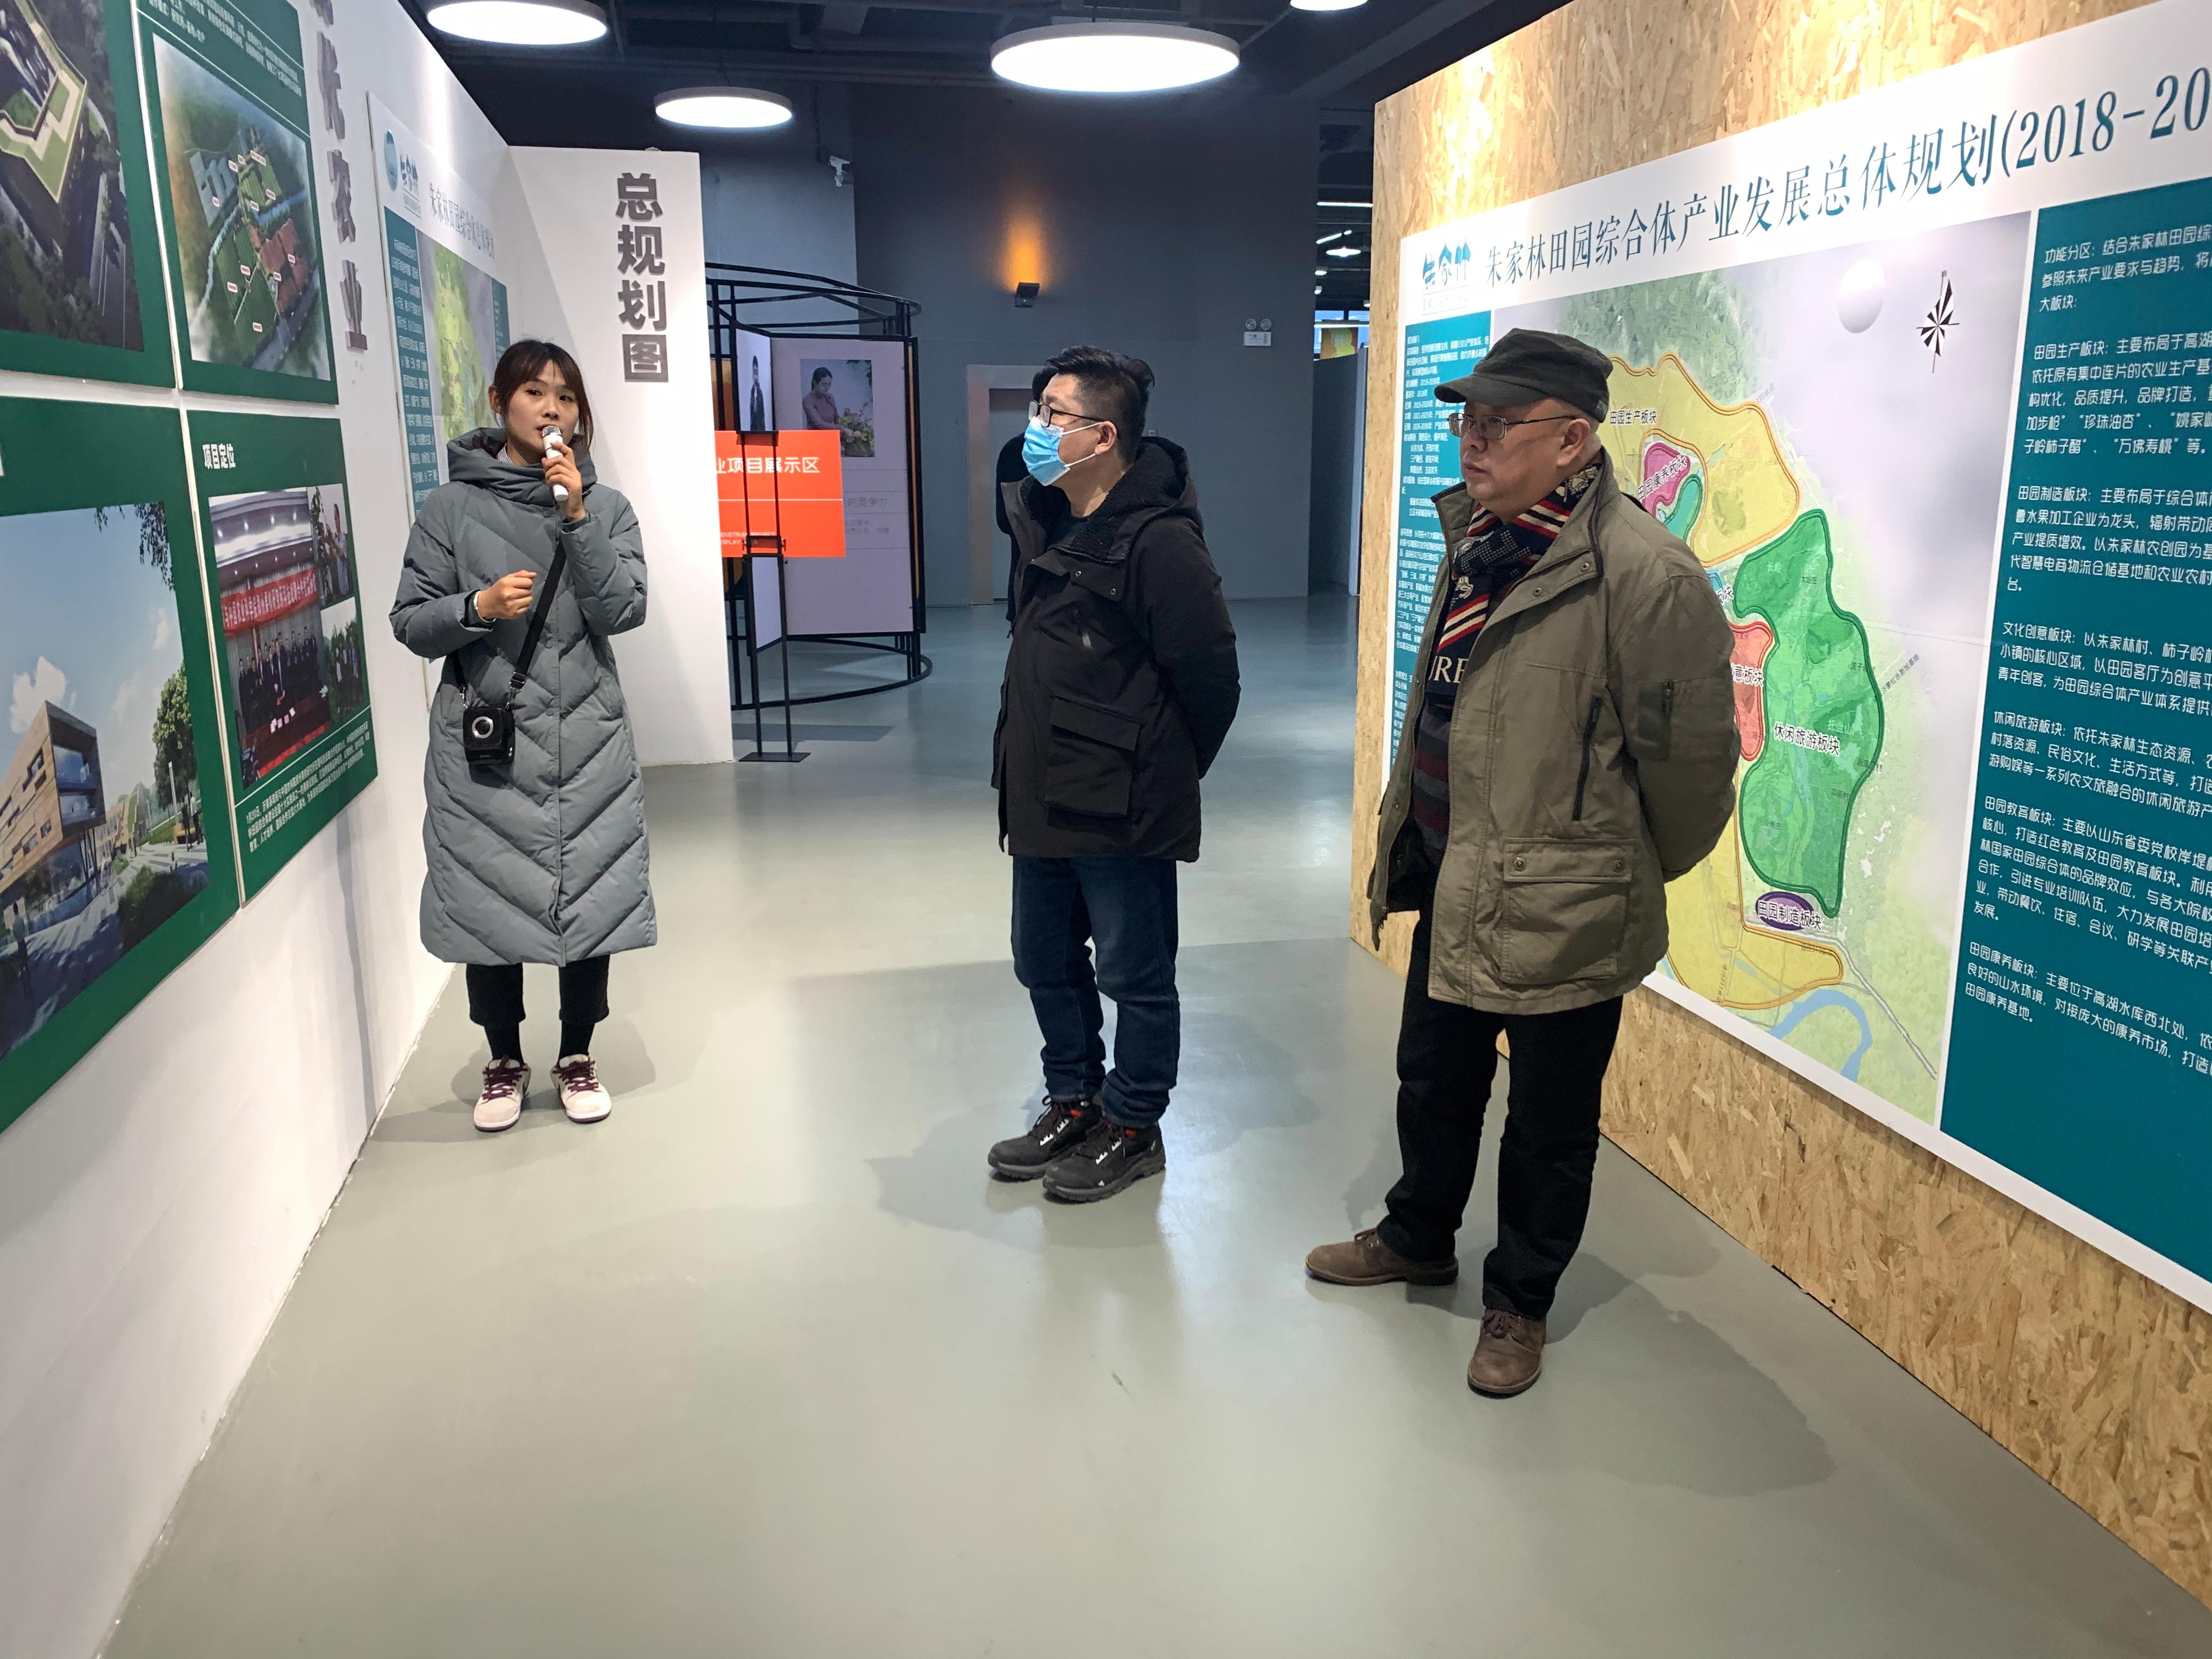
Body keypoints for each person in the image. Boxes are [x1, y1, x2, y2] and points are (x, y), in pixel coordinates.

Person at [1306, 329, 1736, 1396]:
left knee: (1549, 1124)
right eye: (1468, 420)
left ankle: (1519, 1301)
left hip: (1568, 908)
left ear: (1573, 440)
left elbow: (1690, 769)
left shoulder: (1646, 577)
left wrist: (1607, 868)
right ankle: (1417, 1234)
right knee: (1432, 1081)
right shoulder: (1479, 540)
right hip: (1457, 877)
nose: (1473, 441)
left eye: (1499, 425)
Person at [987, 346, 1240, 1201]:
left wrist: (1160, 768)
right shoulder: (1047, 518)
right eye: (1038, 410)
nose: (1036, 428)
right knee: (1043, 959)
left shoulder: (1161, 542)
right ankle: (1074, 1101)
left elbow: (1211, 678)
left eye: (1053, 415)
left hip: (1121, 799)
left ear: (1102, 437)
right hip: (1041, 788)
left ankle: (1134, 1125)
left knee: (1135, 974)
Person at [390, 339, 657, 1133]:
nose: (552, 410)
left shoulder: (606, 507)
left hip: (587, 736)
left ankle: (577, 1053)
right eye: (536, 392)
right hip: (490, 743)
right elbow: (411, 621)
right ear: (499, 400)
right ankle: (503, 1059)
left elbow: (623, 610)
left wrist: (576, 517)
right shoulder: (450, 509)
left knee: (589, 890)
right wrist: (475, 608)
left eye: (567, 397)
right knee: (487, 901)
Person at [802, 366, 839, 432]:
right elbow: (819, 424)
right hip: (815, 436)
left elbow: (837, 418)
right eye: (824, 385)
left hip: (831, 435)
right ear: (815, 383)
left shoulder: (830, 397)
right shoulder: (808, 401)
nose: (827, 388)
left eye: (829, 384)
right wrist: (841, 428)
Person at [748, 359, 768, 433]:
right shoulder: (752, 392)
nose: (756, 377)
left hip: (761, 427)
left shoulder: (760, 393)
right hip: (753, 427)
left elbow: (762, 414)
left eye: (757, 373)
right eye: (754, 373)